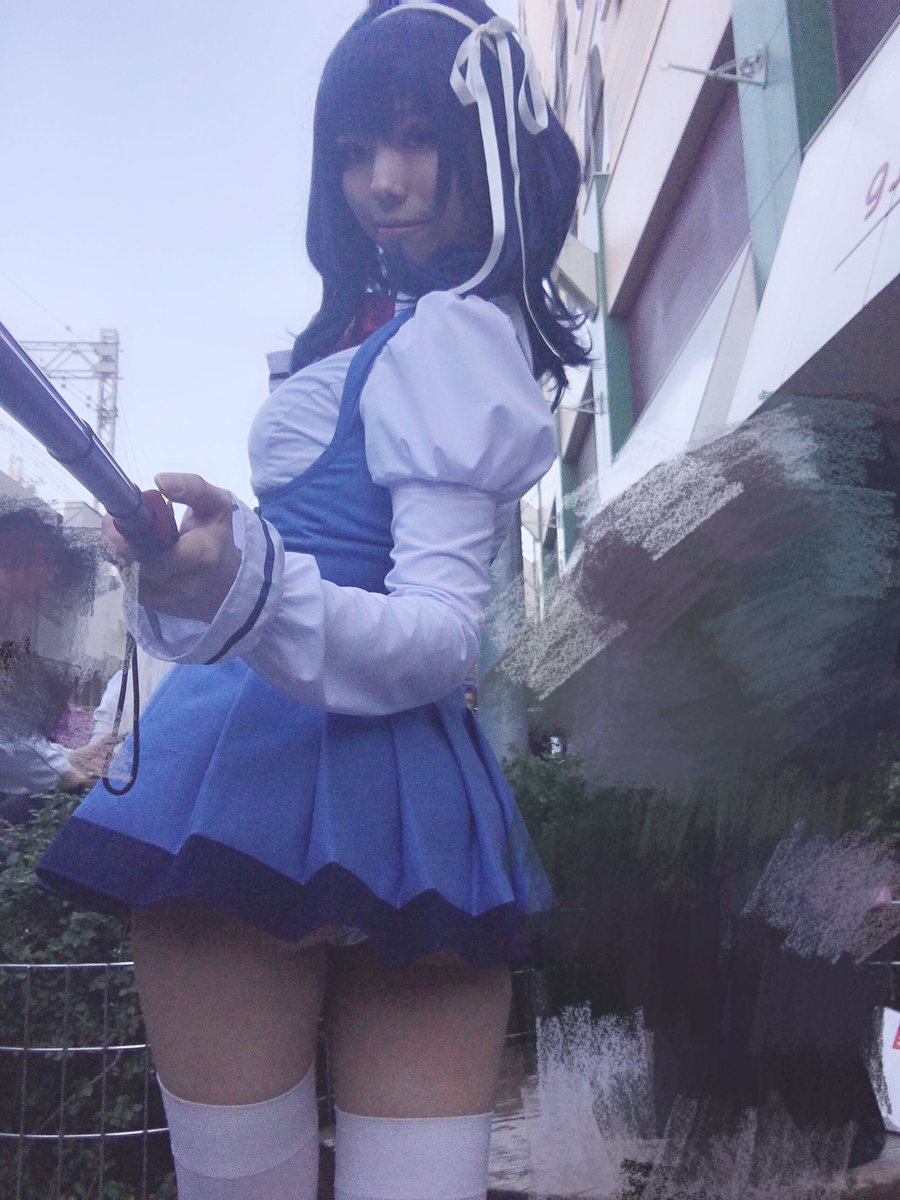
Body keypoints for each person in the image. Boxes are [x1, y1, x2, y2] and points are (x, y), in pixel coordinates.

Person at [38, 3, 586, 1198]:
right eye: (354, 151)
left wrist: (242, 580)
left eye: (418, 138)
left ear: (489, 144)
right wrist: (195, 569)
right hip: (365, 784)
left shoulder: (456, 340)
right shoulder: (380, 339)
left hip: (277, 770)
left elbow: (441, 636)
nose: (383, 182)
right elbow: (280, 592)